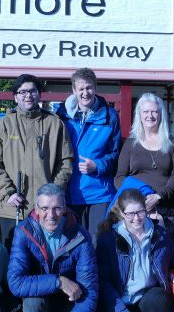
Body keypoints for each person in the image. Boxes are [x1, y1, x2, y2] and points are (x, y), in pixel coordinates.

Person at [0, 74, 74, 247]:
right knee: (15, 258)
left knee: (46, 255)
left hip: (47, 211)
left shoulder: (55, 124)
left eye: (33, 91)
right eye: (22, 92)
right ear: (15, 96)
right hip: (13, 208)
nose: (28, 95)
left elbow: (66, 162)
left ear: (39, 94)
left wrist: (53, 193)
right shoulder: (2, 126)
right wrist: (7, 192)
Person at [7, 183, 97, 312]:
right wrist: (58, 282)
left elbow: (89, 290)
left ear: (65, 208)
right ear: (36, 209)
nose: (51, 215)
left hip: (69, 300)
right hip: (39, 296)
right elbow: (16, 283)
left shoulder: (80, 236)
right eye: (45, 208)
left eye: (57, 208)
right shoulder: (23, 232)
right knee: (32, 302)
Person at [55, 68, 121, 241]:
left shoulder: (110, 117)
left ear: (96, 88)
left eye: (89, 88)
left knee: (99, 244)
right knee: (72, 245)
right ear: (74, 90)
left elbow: (116, 154)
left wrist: (98, 165)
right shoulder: (61, 117)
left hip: (99, 193)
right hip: (69, 192)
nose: (86, 93)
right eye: (81, 89)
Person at [96, 189, 174, 312]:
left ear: (146, 210)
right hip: (121, 299)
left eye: (140, 212)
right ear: (122, 213)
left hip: (148, 295)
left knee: (160, 299)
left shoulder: (158, 233)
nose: (136, 218)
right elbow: (103, 282)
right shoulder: (109, 240)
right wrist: (120, 309)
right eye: (130, 214)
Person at [115, 93, 174, 236]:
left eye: (154, 111)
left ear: (161, 115)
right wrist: (137, 199)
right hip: (134, 212)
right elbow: (119, 177)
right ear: (139, 115)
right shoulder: (130, 144)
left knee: (162, 254)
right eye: (145, 111)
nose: (150, 115)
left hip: (165, 208)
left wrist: (159, 196)